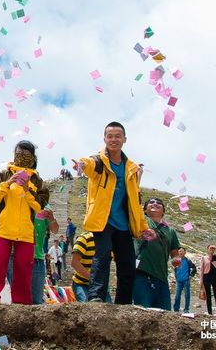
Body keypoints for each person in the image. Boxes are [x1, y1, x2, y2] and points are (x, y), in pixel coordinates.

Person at [71, 121, 155, 304]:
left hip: (124, 223)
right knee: (102, 254)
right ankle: (96, 297)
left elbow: (135, 201)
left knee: (127, 262)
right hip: (103, 220)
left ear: (125, 139)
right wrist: (81, 165)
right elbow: (88, 163)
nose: (114, 139)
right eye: (110, 136)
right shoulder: (99, 161)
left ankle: (123, 302)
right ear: (104, 139)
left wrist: (142, 226)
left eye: (118, 136)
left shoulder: (131, 168)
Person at [0, 140, 49, 304]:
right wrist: (8, 182)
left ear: (33, 157)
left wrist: (27, 190)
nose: (22, 156)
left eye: (26, 154)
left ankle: (21, 303)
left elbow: (40, 206)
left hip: (26, 231)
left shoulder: (37, 180)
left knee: (23, 268)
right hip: (3, 229)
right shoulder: (4, 173)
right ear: (14, 154)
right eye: (19, 153)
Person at [132, 197, 181, 310]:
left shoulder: (170, 231)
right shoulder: (140, 221)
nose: (155, 204)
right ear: (144, 210)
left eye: (159, 203)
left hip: (162, 277)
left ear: (163, 211)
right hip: (141, 272)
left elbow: (174, 253)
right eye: (151, 202)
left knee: (165, 314)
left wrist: (176, 260)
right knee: (142, 311)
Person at [173, 248, 197, 312]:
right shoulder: (176, 261)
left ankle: (186, 309)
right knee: (177, 295)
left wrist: (191, 276)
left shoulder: (188, 260)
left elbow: (194, 268)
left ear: (185, 252)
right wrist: (176, 277)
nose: (180, 252)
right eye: (179, 251)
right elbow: (175, 270)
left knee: (187, 295)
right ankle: (176, 309)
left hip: (186, 280)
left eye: (182, 251)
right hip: (179, 281)